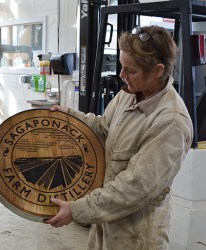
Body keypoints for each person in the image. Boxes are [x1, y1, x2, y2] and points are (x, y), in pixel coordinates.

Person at [45, 25, 193, 250]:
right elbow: (104, 128)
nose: (122, 75)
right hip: (105, 221)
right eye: (122, 67)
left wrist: (77, 210)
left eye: (130, 70)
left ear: (157, 70)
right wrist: (70, 119)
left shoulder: (170, 122)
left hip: (136, 236)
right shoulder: (130, 94)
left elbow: (135, 187)